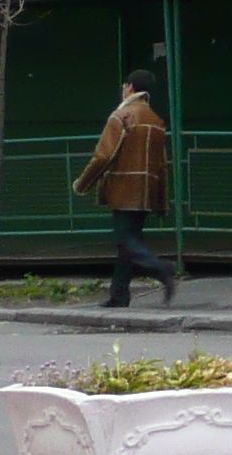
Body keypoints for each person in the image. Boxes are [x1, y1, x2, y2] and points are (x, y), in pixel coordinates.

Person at [73, 67, 177, 307]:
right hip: (146, 191)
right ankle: (119, 295)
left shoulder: (121, 117)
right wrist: (162, 199)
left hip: (123, 189)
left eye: (124, 85)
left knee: (124, 240)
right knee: (129, 241)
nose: (122, 88)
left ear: (130, 88)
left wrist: (82, 184)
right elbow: (161, 164)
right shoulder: (156, 121)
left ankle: (161, 269)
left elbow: (102, 157)